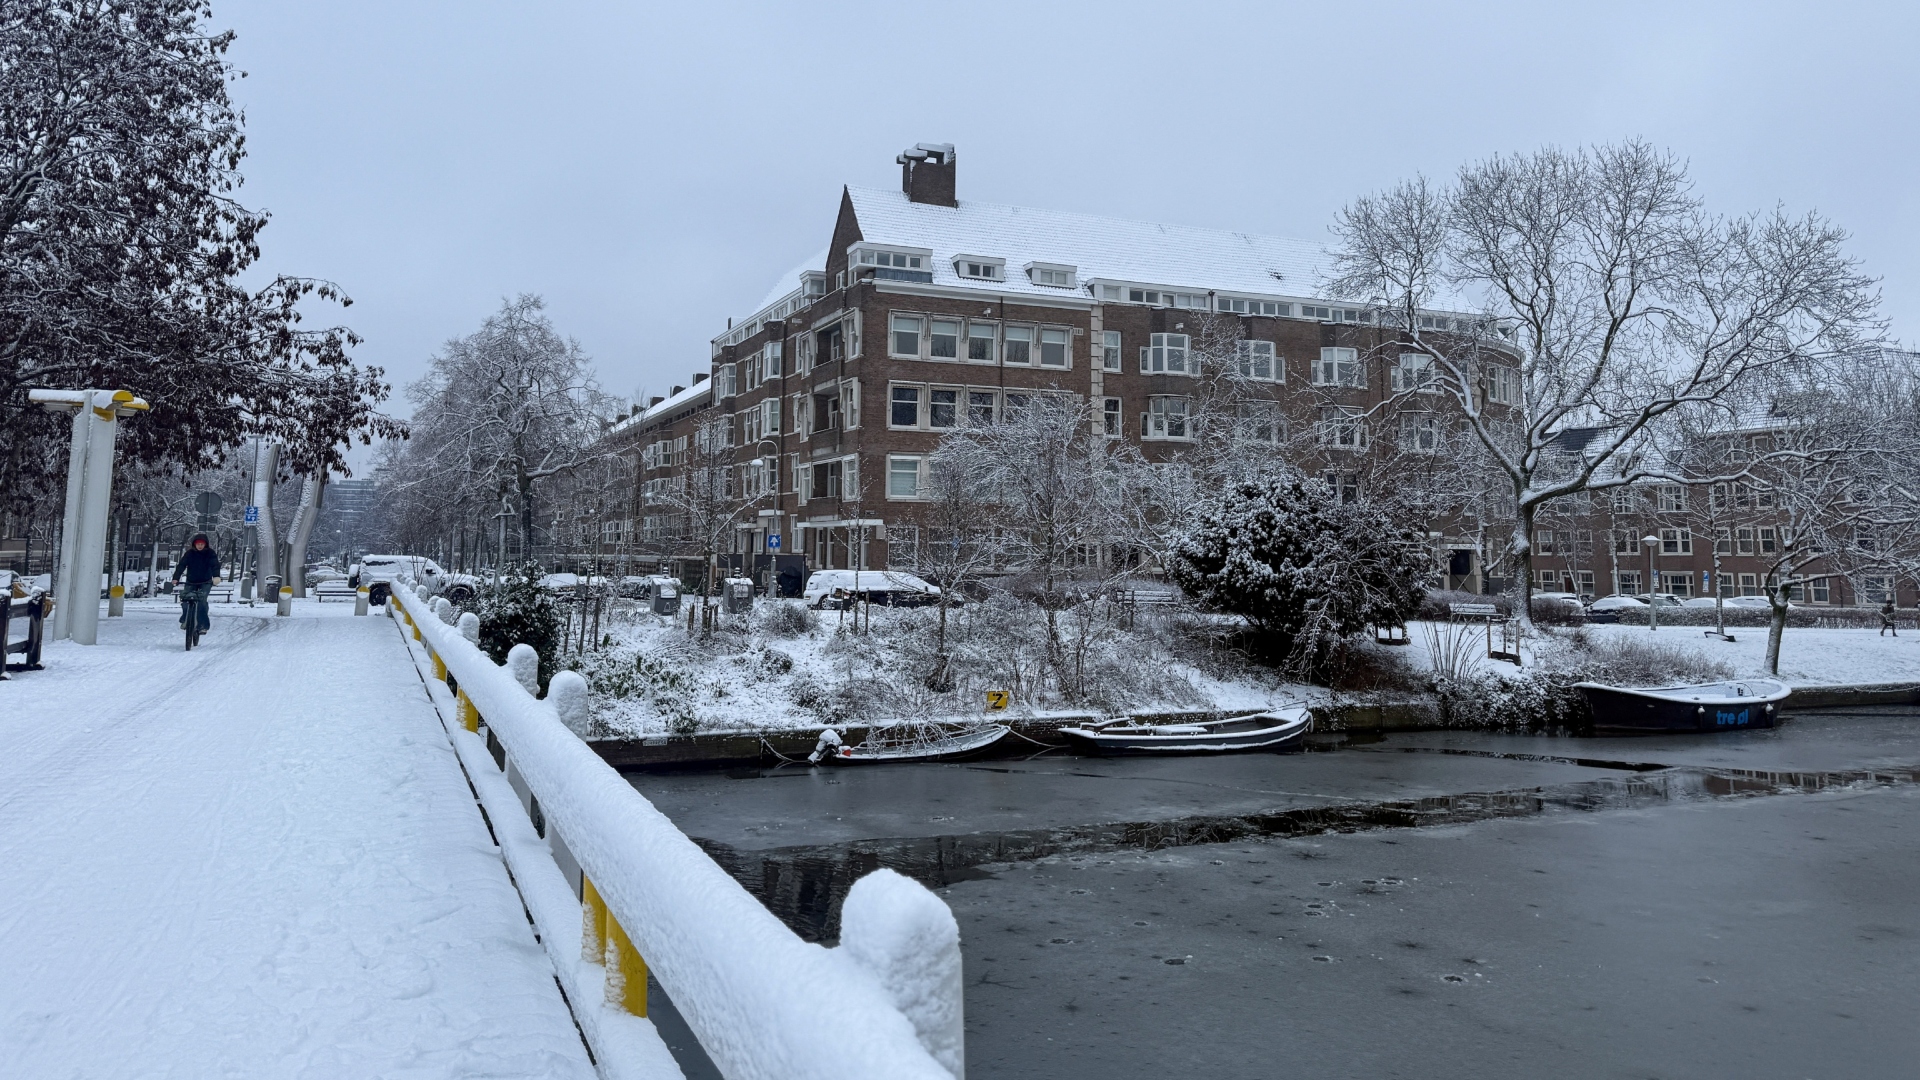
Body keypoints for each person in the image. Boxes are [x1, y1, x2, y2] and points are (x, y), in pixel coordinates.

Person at [171, 533, 221, 635]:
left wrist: (216, 576)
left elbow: (215, 565)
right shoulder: (189, 554)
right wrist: (176, 578)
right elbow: (181, 565)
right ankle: (186, 619)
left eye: (202, 544)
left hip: (205, 581)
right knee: (185, 599)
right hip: (191, 581)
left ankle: (203, 625)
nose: (200, 546)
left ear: (205, 545)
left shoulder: (210, 553)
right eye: (198, 544)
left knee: (202, 601)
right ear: (194, 544)